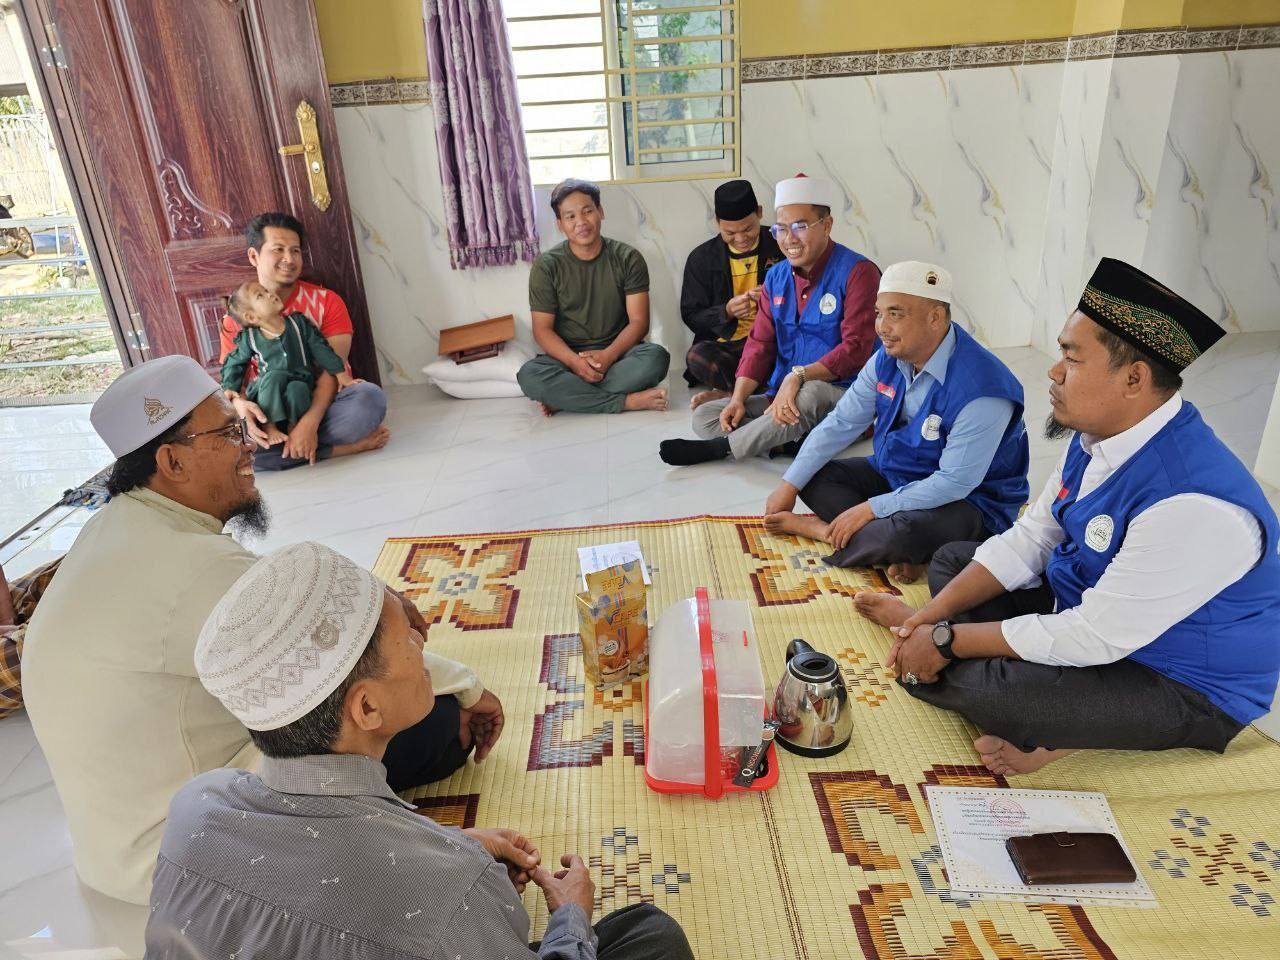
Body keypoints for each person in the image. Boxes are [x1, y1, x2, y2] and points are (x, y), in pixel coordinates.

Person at [21, 356, 503, 904]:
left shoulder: (113, 529)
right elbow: (342, 655)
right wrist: (468, 687)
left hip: (111, 853)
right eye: (230, 433)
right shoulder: (192, 568)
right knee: (437, 721)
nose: (250, 444)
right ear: (172, 461)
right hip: (187, 856)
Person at [145, 542, 694, 960]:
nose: (422, 640)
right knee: (651, 935)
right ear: (366, 708)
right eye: (406, 636)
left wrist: (446, 847)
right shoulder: (454, 897)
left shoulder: (196, 807)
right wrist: (569, 917)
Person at [858, 258, 1280, 776]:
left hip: (1178, 681)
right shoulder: (1097, 435)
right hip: (1087, 610)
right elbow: (1032, 538)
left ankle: (1028, 712)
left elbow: (1095, 636)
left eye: (1072, 357)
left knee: (1001, 694)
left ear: (1134, 378)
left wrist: (948, 640)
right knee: (953, 562)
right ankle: (934, 642)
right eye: (1060, 352)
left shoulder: (1194, 505)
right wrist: (928, 618)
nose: (1054, 372)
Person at [763, 262, 1029, 582]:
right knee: (812, 475)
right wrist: (789, 484)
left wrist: (870, 508)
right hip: (899, 474)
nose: (881, 327)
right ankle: (900, 549)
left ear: (935, 317)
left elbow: (955, 482)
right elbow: (842, 421)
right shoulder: (887, 358)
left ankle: (824, 531)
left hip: (971, 503)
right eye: (879, 313)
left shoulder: (983, 389)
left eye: (895, 314)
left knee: (902, 533)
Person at [659, 174, 879, 466]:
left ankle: (721, 448)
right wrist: (737, 399)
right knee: (706, 416)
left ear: (826, 225)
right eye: (781, 229)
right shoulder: (776, 277)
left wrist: (798, 376)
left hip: (843, 393)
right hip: (784, 394)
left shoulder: (859, 272)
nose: (789, 239)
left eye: (800, 227)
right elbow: (760, 344)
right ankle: (790, 440)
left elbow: (855, 349)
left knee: (811, 393)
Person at [220, 211, 390, 469]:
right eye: (278, 249)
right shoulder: (238, 319)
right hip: (270, 413)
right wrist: (240, 406)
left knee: (369, 398)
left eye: (296, 251)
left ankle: (293, 448)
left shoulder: (326, 302)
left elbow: (330, 371)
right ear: (254, 256)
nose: (289, 259)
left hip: (323, 407)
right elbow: (232, 379)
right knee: (230, 441)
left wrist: (309, 423)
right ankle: (336, 449)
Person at [516, 179, 670, 416]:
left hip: (618, 355)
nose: (581, 222)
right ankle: (626, 402)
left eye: (587, 211)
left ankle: (567, 398)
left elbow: (639, 323)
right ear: (560, 224)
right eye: (570, 216)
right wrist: (575, 363)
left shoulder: (628, 258)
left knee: (656, 359)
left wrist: (608, 355)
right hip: (567, 359)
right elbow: (542, 330)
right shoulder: (546, 266)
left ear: (600, 211)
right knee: (529, 375)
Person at [679, 179, 783, 405]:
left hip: (771, 340)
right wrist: (725, 311)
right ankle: (753, 390)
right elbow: (691, 316)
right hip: (728, 346)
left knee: (795, 352)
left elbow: (805, 294)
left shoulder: (781, 245)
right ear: (718, 223)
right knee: (697, 356)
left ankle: (730, 393)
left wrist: (772, 296)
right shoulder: (701, 258)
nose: (741, 238)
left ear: (760, 213)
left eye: (748, 229)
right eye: (730, 232)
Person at [221, 280, 356, 446]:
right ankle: (270, 427)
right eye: (260, 295)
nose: (270, 294)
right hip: (268, 389)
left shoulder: (298, 324)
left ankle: (295, 432)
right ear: (251, 317)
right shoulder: (250, 338)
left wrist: (341, 375)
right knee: (274, 376)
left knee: (297, 389)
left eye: (266, 290)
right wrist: (230, 388)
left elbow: (321, 349)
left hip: (301, 380)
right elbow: (234, 362)